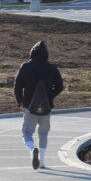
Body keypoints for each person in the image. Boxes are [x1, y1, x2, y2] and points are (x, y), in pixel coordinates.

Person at [13, 41, 65, 170]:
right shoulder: (52, 68)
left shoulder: (26, 67)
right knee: (43, 134)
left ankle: (32, 151)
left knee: (27, 133)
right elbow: (60, 87)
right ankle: (41, 161)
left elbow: (17, 86)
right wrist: (50, 97)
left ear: (32, 53)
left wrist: (20, 101)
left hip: (29, 107)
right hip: (46, 108)